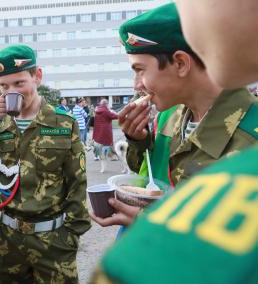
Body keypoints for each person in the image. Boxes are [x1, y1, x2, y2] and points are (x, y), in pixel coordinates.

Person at [92, 1, 258, 283]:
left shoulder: (251, 137)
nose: (136, 85)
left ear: (180, 63)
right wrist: (138, 140)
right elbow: (149, 176)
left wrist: (152, 226)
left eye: (140, 70)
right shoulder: (169, 116)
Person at [0, 44, 90, 283]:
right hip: (6, 240)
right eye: (4, 86)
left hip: (53, 239)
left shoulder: (63, 123)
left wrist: (71, 235)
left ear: (37, 76)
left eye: (19, 83)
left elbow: (77, 181)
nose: (10, 91)